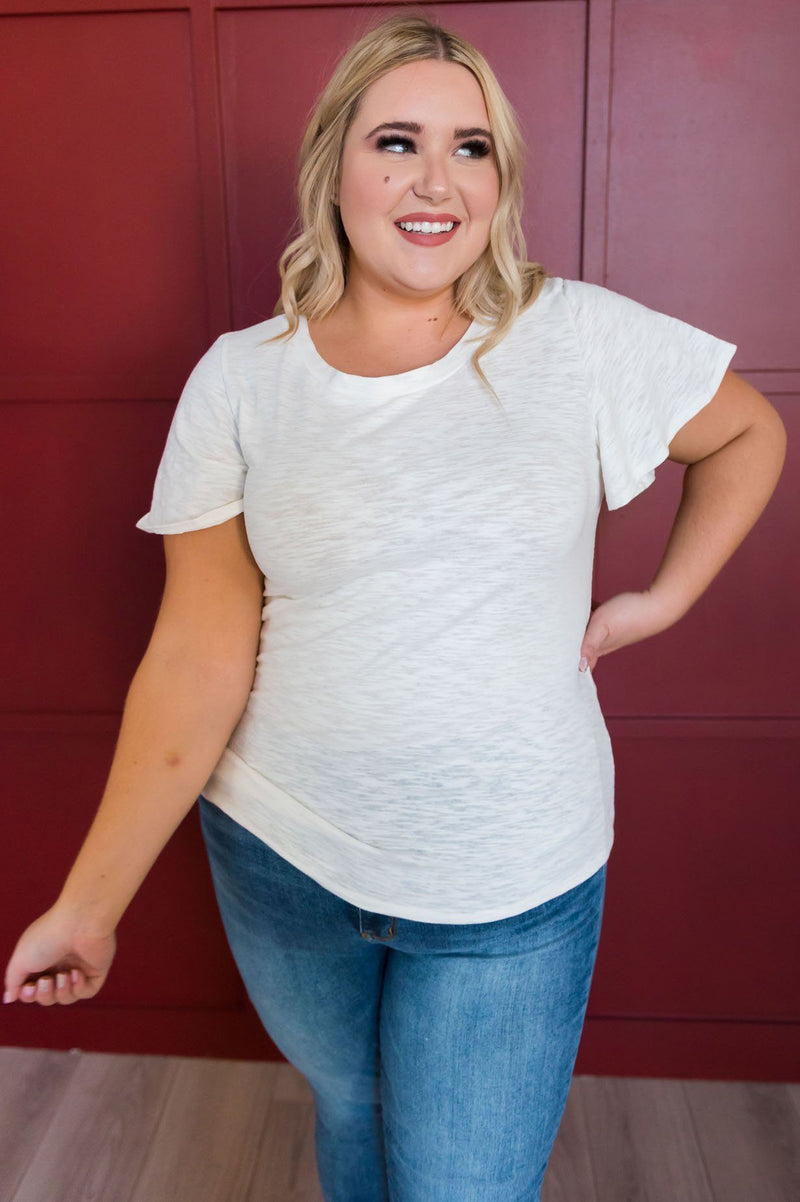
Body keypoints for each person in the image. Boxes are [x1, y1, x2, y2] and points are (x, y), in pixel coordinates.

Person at [4, 12, 786, 1202]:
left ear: (499, 181)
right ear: (334, 168)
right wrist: (88, 903)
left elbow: (743, 430)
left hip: (509, 880)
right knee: (355, 1109)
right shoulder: (241, 379)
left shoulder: (572, 335)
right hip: (282, 856)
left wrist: (659, 600)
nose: (435, 181)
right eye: (396, 143)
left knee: (461, 1185)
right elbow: (198, 653)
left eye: (471, 148)